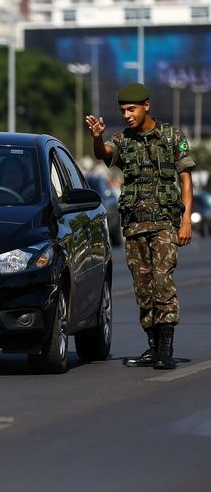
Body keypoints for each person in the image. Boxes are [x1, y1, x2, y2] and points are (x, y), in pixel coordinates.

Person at [85, 82, 194, 370]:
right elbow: (104, 154)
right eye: (123, 110)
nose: (127, 115)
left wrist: (185, 222)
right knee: (143, 288)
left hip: (165, 224)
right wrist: (97, 138)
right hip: (134, 224)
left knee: (162, 283)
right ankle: (153, 347)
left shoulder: (172, 137)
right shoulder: (123, 140)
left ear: (147, 105)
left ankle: (166, 350)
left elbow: (185, 179)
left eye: (131, 109)